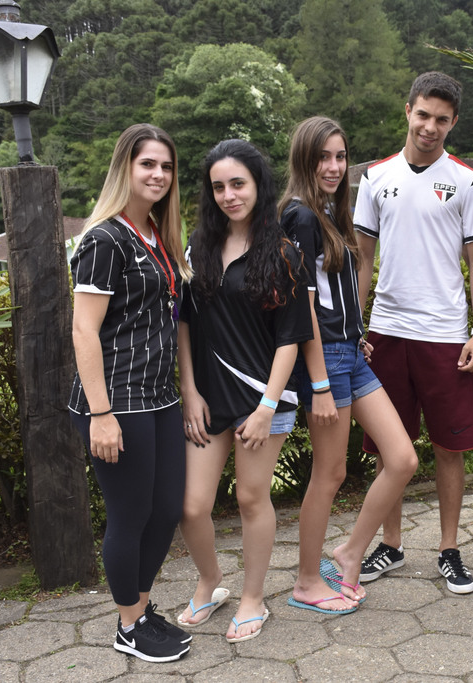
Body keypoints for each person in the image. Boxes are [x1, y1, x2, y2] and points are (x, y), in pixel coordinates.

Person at [354, 71, 473, 595]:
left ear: (453, 123)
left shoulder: (468, 181)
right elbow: (363, 260)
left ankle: (449, 549)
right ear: (407, 111)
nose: (429, 127)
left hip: (444, 334)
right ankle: (390, 545)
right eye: (423, 115)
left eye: (441, 119)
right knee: (389, 450)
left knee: (449, 448)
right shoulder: (374, 177)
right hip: (386, 332)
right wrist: (353, 327)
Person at [279, 116, 419, 613]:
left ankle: (350, 552)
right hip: (327, 362)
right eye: (323, 157)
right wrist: (318, 382)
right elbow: (303, 309)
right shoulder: (299, 216)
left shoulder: (328, 211)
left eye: (340, 157)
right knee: (330, 474)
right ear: (304, 159)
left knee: (402, 459)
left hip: (350, 352)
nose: (334, 167)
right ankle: (306, 582)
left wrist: (356, 334)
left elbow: (336, 294)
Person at [175, 139, 313, 642]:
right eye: (219, 187)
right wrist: (190, 390)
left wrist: (267, 407)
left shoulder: (283, 253)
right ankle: (210, 582)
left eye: (238, 184)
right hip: (208, 398)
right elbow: (184, 323)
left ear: (258, 185)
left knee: (252, 498)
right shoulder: (198, 247)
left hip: (263, 399)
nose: (229, 195)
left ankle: (254, 598)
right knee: (192, 505)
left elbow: (291, 339)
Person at [69, 123, 193, 662]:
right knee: (130, 515)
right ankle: (127, 625)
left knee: (166, 510)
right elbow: (83, 330)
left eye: (166, 166)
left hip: (159, 397)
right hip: (115, 402)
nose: (158, 175)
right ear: (125, 167)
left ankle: (140, 610)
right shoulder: (104, 239)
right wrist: (100, 414)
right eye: (148, 164)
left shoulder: (158, 236)